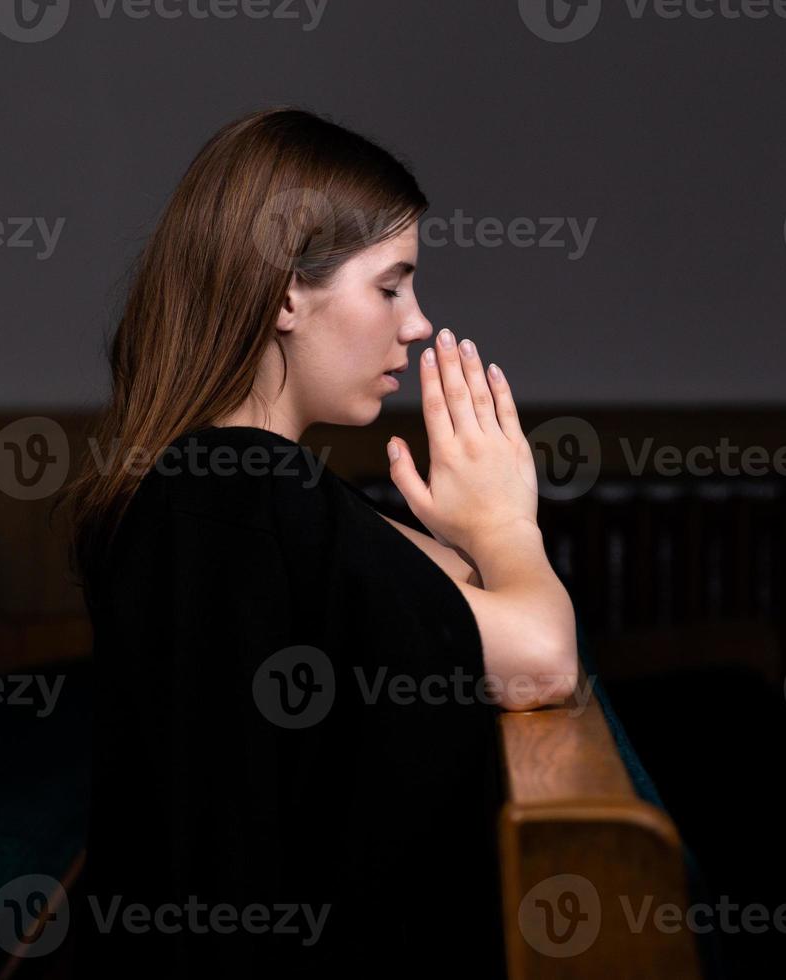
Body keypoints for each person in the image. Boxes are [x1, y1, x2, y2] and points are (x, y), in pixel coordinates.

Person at [65, 106, 579, 977]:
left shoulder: (247, 486)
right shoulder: (235, 487)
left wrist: (472, 539)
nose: (416, 326)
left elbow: (447, 606)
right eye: (390, 286)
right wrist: (504, 527)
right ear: (285, 295)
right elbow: (537, 657)